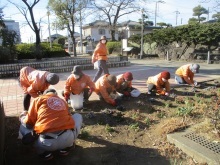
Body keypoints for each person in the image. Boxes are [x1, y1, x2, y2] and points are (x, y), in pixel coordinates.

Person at [19, 89, 83, 160]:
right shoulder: (62, 101)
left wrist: (22, 117)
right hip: (68, 138)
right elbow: (69, 116)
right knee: (77, 116)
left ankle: (45, 154)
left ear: (44, 94)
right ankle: (65, 148)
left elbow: (28, 124)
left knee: (23, 126)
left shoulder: (38, 99)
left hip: (46, 143)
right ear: (56, 95)